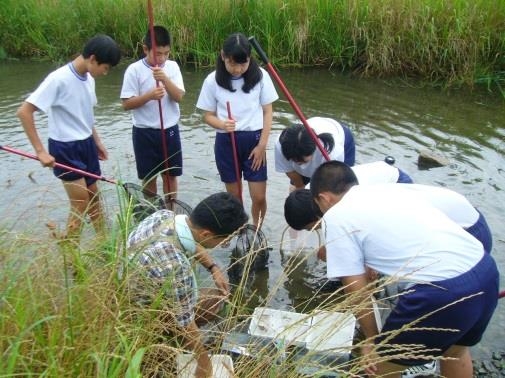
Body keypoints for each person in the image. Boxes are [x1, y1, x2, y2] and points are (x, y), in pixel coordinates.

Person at [309, 161, 499, 378]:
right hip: (485, 270)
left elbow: (356, 289)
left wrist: (372, 341)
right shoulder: (386, 191)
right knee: (455, 351)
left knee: (378, 369)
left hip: (441, 291)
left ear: (323, 198)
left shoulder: (336, 215)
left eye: (319, 207)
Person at [124, 192, 248, 378]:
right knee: (215, 301)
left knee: (203, 297)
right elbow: (185, 323)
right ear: (206, 233)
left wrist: (213, 267)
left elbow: (193, 241)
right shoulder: (176, 266)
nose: (225, 244)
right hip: (142, 317)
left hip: (127, 294)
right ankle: (161, 343)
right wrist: (204, 363)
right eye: (225, 240)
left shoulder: (164, 216)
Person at [16, 34, 121, 241]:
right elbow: (24, 112)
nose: (105, 73)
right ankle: (71, 253)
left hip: (87, 144)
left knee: (94, 198)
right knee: (80, 202)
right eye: (105, 67)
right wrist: (40, 151)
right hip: (65, 148)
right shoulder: (59, 79)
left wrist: (97, 141)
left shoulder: (89, 79)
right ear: (92, 59)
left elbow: (86, 114)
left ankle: (103, 246)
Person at [196, 32, 279, 227]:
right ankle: (239, 230)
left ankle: (257, 230)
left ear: (250, 59)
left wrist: (262, 145)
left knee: (258, 196)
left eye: (243, 64)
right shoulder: (212, 80)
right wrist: (222, 124)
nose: (238, 69)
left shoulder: (260, 76)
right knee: (234, 198)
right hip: (226, 140)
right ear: (223, 56)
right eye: (233, 63)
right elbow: (207, 116)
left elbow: (268, 112)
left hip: (254, 142)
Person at [120, 25, 185, 200]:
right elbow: (126, 104)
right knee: (149, 178)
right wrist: (149, 95)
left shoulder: (172, 67)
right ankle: (152, 213)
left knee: (170, 177)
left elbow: (179, 96)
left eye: (166, 53)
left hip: (170, 130)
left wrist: (165, 79)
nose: (162, 58)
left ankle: (170, 211)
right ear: (145, 49)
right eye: (158, 53)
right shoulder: (134, 70)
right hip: (144, 132)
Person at [284, 160, 413, 231]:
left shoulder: (347, 203)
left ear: (314, 218)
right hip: (379, 174)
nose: (313, 231)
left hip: (396, 182)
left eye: (309, 228)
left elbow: (363, 229)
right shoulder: (311, 193)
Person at [274, 117, 356, 189]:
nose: (298, 163)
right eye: (293, 160)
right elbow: (290, 171)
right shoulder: (281, 144)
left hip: (343, 139)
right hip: (304, 143)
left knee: (340, 187)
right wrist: (300, 187)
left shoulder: (333, 153)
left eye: (303, 161)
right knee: (296, 191)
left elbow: (332, 182)